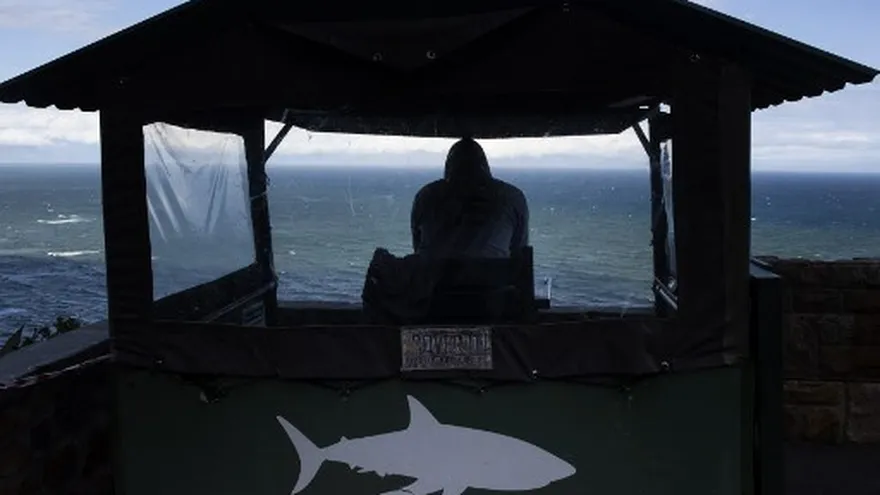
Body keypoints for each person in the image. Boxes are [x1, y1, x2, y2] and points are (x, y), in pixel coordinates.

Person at [410, 137, 529, 259]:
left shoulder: (426, 196)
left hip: (435, 277)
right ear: (485, 166)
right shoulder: (512, 197)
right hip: (492, 277)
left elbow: (418, 248)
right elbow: (519, 256)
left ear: (448, 166)